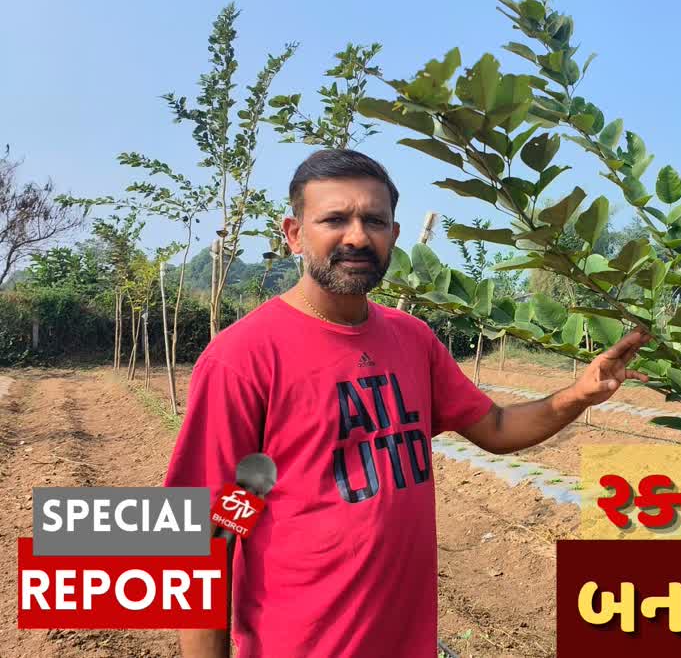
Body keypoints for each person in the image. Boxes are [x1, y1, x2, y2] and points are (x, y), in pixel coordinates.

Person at [164, 149, 650, 657]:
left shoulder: (411, 339)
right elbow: (207, 539)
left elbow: (497, 427)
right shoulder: (244, 358)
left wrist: (581, 392)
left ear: (394, 236)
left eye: (374, 220)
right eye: (335, 219)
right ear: (294, 233)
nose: (357, 236)